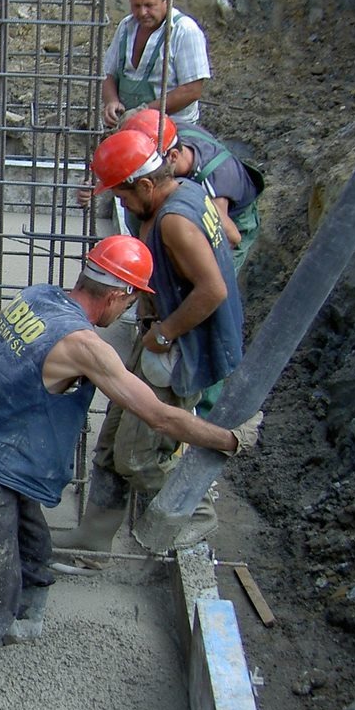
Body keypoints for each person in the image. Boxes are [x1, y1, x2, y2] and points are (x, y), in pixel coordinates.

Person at [0, 236, 261, 701]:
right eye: (133, 301)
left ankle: (26, 619)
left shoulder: (38, 296)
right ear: (119, 295)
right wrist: (230, 439)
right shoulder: (85, 346)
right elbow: (158, 415)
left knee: (30, 542)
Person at [54, 130, 245, 555]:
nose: (120, 204)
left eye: (122, 195)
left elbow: (213, 290)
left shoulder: (175, 220)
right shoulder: (187, 194)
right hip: (160, 336)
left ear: (144, 185)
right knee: (112, 444)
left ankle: (193, 513)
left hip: (179, 349)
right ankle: (93, 542)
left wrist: (164, 333)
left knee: (139, 455)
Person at [118, 111, 266, 273]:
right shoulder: (162, 133)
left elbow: (227, 238)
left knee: (206, 276)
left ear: (173, 157)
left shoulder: (214, 184)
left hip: (232, 220)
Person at [100, 0, 211, 128]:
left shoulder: (184, 31)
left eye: (149, 5)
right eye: (136, 6)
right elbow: (108, 73)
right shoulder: (125, 27)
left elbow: (192, 90)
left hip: (173, 128)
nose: (142, 12)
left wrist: (142, 112)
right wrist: (111, 101)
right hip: (130, 127)